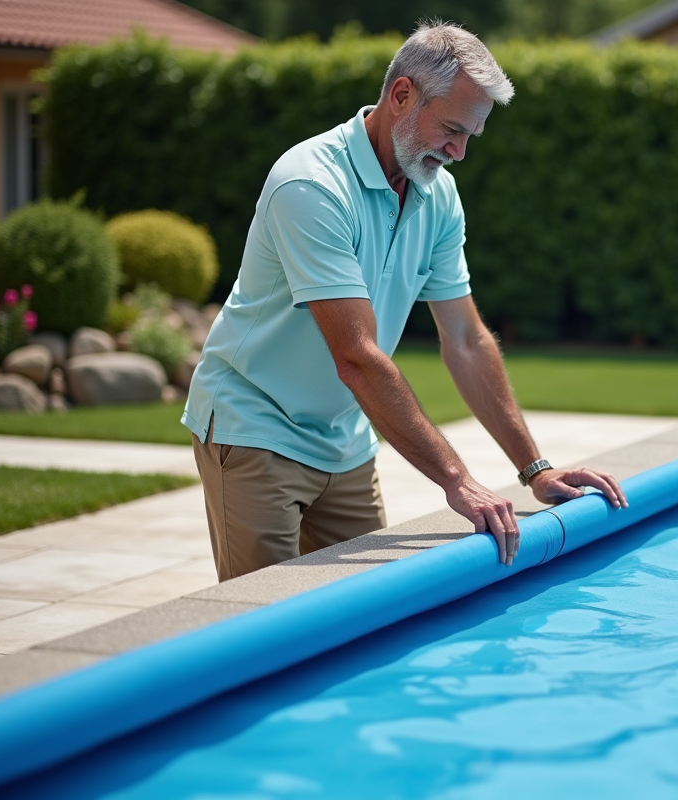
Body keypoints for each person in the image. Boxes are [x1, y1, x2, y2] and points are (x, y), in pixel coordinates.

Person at [182, 22, 627, 582]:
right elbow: (357, 356)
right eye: (451, 129)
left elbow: (465, 339)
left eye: (471, 136)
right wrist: (456, 479)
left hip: (344, 439)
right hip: (255, 426)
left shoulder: (437, 193)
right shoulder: (311, 185)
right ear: (401, 95)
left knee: (367, 615)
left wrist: (534, 470)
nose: (459, 152)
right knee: (266, 626)